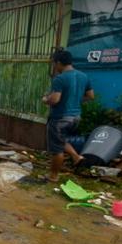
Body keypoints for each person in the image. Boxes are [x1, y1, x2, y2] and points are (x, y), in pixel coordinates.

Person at [42, 50, 94, 182]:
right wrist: (75, 100)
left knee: (56, 149)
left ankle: (53, 176)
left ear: (59, 62)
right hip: (76, 117)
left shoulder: (60, 78)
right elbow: (90, 96)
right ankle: (76, 156)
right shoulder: (84, 76)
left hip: (61, 117)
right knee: (59, 140)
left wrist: (46, 99)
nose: (54, 66)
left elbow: (55, 100)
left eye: (54, 63)